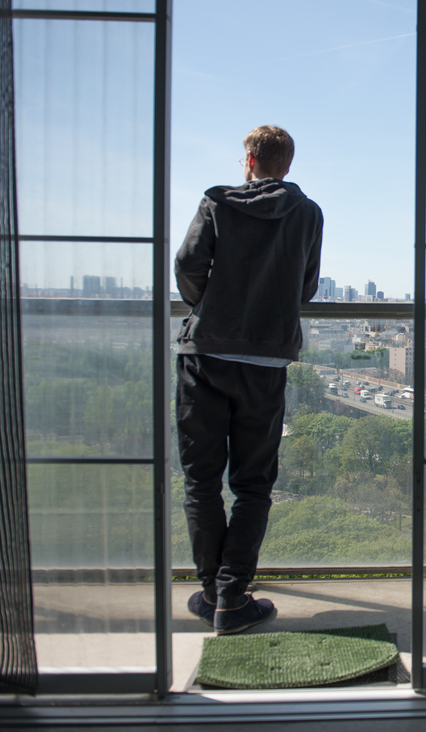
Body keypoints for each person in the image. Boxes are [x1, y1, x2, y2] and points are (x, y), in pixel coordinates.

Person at [174, 125, 323, 635]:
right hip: (264, 361)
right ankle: (232, 598)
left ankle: (213, 593)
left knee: (201, 479)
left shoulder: (217, 203)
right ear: (286, 164)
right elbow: (305, 285)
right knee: (253, 485)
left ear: (249, 159)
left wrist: (209, 307)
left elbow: (188, 266)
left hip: (206, 353)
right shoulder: (307, 214)